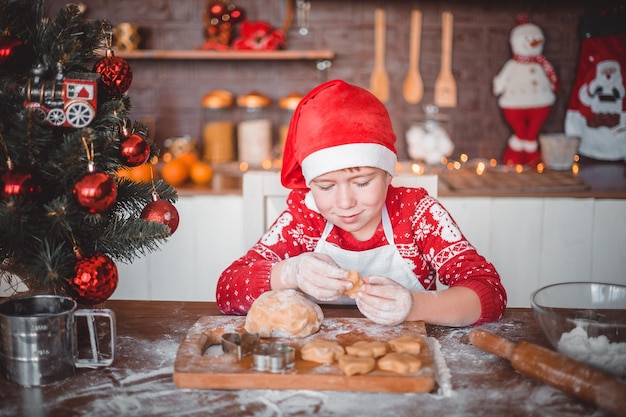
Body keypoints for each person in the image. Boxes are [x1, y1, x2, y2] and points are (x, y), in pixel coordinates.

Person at [216, 79, 507, 327]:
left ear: (387, 174)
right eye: (326, 186)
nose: (345, 202)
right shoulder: (303, 220)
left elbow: (490, 294)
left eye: (362, 182)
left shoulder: (417, 215)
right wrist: (290, 272)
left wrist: (415, 306)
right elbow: (228, 289)